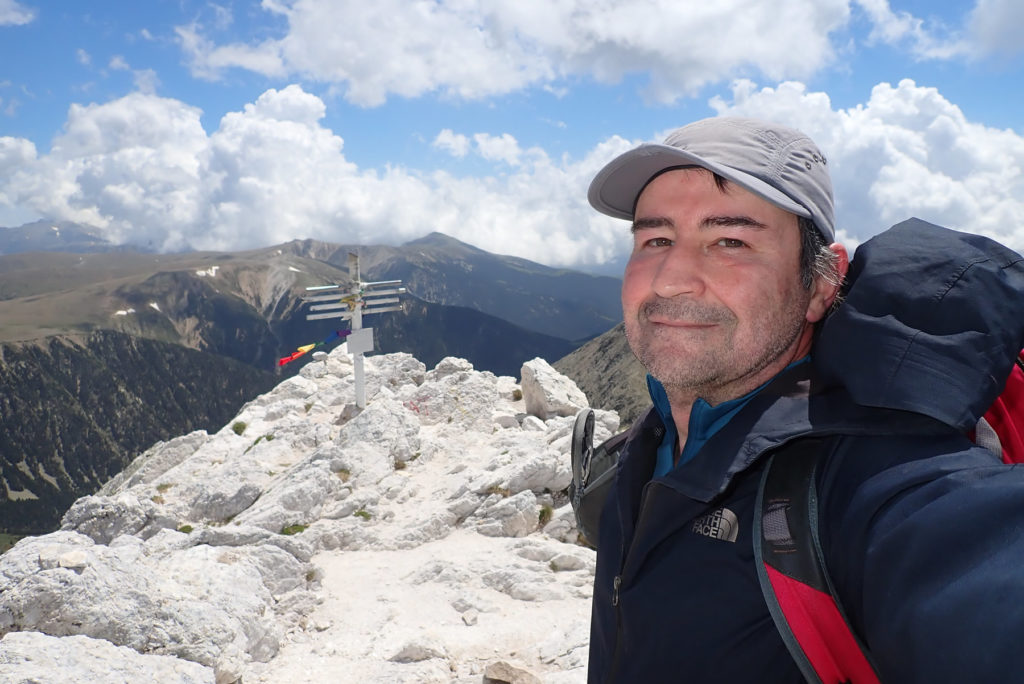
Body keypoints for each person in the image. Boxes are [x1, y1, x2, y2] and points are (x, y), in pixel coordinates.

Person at [584, 116, 1024, 682]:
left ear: (821, 284)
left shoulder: (875, 481)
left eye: (730, 240)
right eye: (656, 239)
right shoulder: (651, 440)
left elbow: (977, 565)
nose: (671, 279)